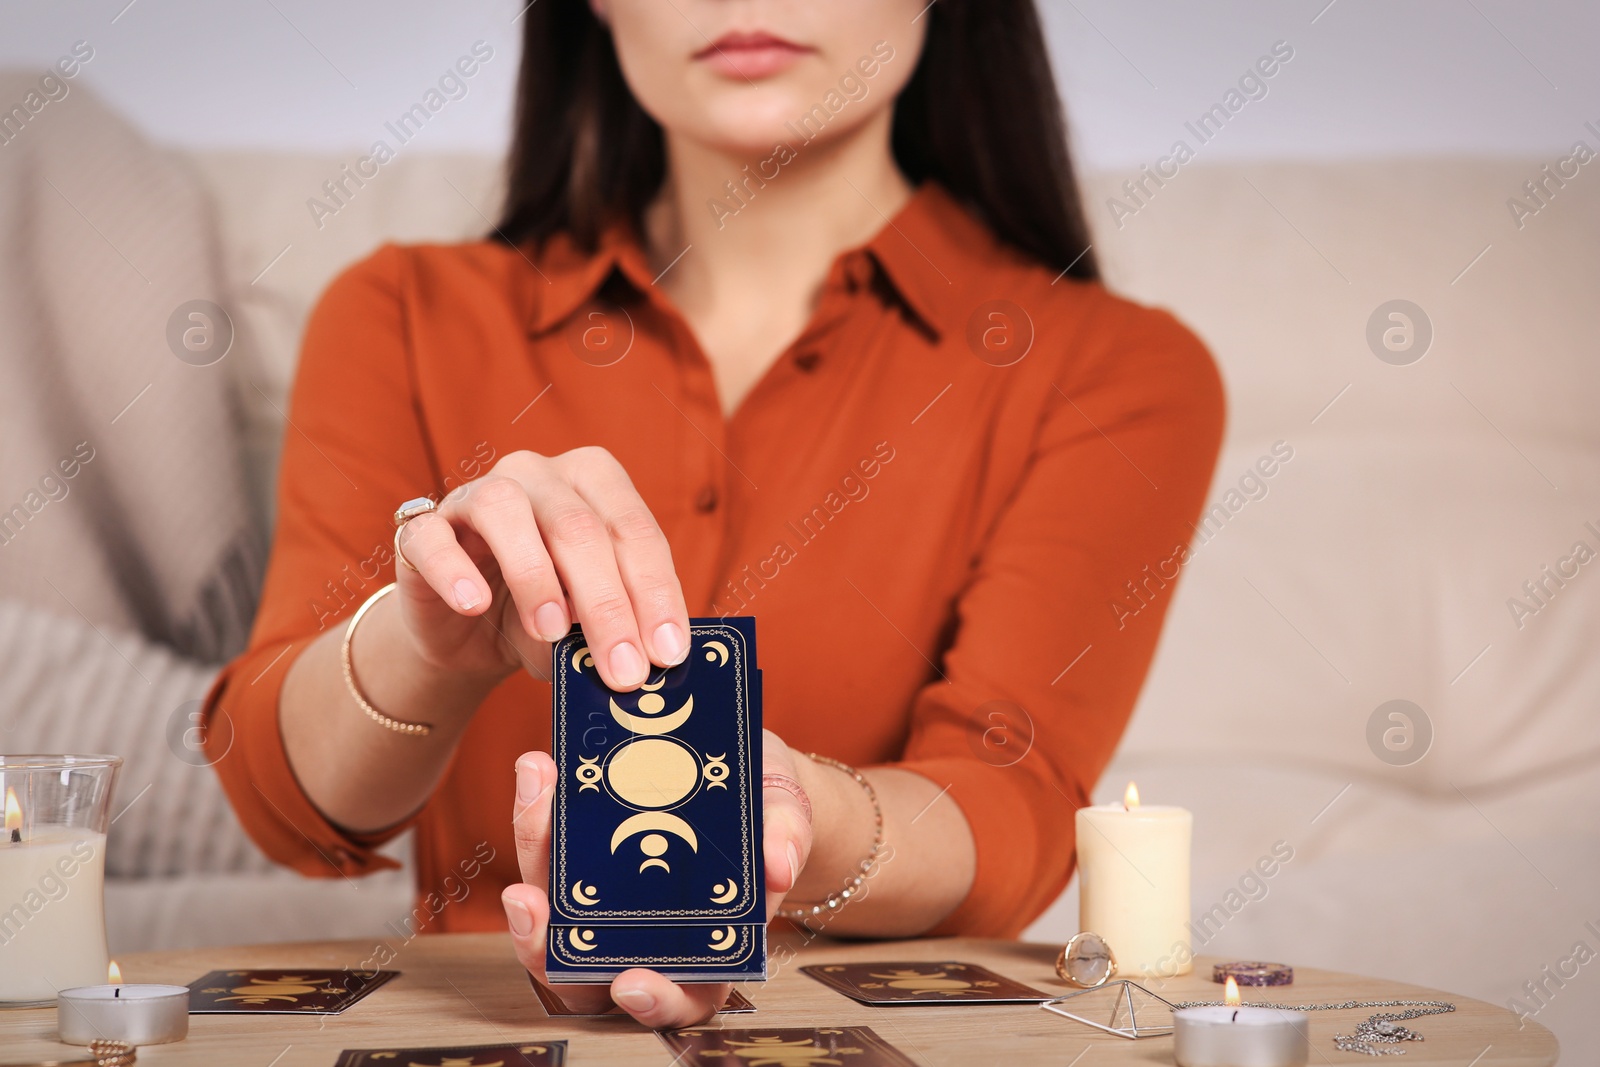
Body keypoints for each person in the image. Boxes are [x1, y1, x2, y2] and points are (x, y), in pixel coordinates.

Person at [204, 0, 1224, 1027]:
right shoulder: (401, 315)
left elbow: (1014, 804)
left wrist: (799, 821)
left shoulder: (1115, 371)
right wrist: (421, 640)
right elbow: (285, 801)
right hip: (489, 1035)